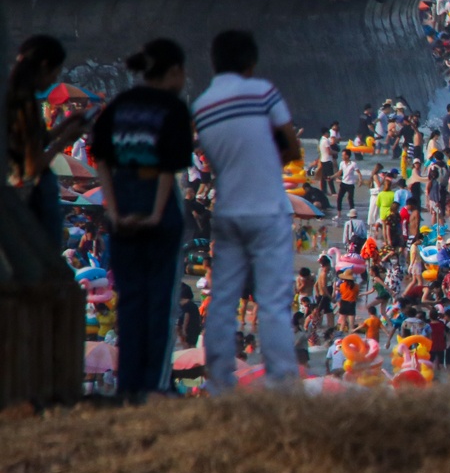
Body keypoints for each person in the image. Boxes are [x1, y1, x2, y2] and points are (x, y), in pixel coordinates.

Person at [194, 30, 301, 392]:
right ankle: (282, 382)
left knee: (224, 298)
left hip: (227, 210)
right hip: (268, 209)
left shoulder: (203, 105)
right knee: (271, 300)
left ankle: (219, 383)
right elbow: (290, 145)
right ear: (251, 63)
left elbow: (212, 158)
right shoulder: (263, 92)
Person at [92, 39, 194, 402]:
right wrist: (154, 213)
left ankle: (129, 388)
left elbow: (100, 157)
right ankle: (155, 386)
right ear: (172, 72)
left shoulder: (118, 106)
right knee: (160, 303)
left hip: (121, 202)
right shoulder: (173, 109)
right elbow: (168, 166)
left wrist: (115, 209)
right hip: (158, 206)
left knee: (130, 301)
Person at [8, 34, 90, 247]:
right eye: (55, 72)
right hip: (36, 195)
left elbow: (35, 141)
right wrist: (65, 141)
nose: (54, 80)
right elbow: (33, 165)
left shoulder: (14, 97)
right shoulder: (25, 103)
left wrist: (63, 127)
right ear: (44, 66)